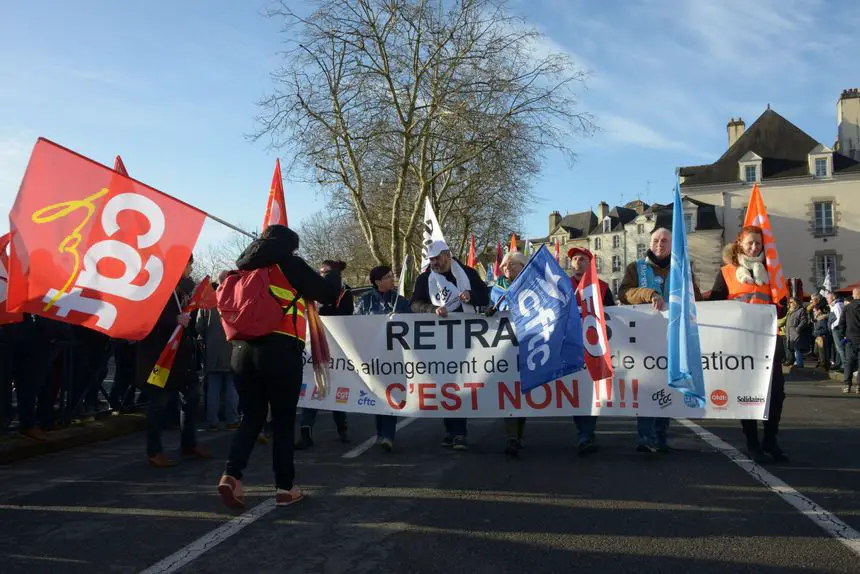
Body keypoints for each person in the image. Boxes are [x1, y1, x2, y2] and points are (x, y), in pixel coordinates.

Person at [218, 225, 342, 509]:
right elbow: (327, 293)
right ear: (290, 246)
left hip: (241, 351)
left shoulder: (242, 269)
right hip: (281, 348)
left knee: (252, 417)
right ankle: (285, 487)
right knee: (284, 421)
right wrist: (332, 271)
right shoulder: (288, 264)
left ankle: (231, 475)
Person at [708, 226, 788, 463]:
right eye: (750, 243)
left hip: (768, 341)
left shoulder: (771, 273)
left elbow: (781, 305)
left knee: (776, 393)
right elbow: (715, 304)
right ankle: (752, 442)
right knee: (747, 394)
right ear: (740, 243)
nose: (755, 248)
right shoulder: (727, 273)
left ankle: (770, 440)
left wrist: (780, 302)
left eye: (758, 244)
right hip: (741, 343)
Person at [619, 226, 702, 453]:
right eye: (656, 239)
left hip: (673, 339)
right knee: (647, 386)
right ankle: (645, 436)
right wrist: (649, 294)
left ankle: (661, 435)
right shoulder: (636, 268)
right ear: (650, 242)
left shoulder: (681, 269)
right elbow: (624, 293)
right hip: (645, 339)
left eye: (665, 240)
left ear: (671, 244)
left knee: (668, 386)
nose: (660, 244)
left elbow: (695, 296)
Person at [411, 240, 490, 451]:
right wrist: (431, 309)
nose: (434, 263)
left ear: (447, 254)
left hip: (467, 336)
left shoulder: (468, 273)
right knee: (447, 382)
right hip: (440, 338)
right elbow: (415, 304)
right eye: (431, 259)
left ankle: (457, 432)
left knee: (462, 382)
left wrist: (471, 296)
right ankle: (453, 431)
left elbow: (485, 296)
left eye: (437, 258)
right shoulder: (425, 278)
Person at [138, 255, 209, 467]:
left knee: (192, 397)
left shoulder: (182, 291)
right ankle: (154, 450)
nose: (190, 270)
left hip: (181, 358)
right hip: (160, 358)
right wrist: (174, 319)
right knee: (158, 403)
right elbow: (147, 316)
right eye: (188, 265)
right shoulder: (155, 288)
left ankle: (189, 444)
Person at [295, 260, 353, 449]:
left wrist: (324, 310)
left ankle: (342, 428)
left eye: (326, 273)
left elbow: (345, 314)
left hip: (337, 345)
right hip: (314, 344)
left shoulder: (345, 292)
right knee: (313, 387)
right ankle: (305, 431)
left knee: (336, 388)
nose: (322, 276)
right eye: (320, 273)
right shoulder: (312, 291)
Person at [355, 264, 410, 451]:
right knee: (378, 394)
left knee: (392, 393)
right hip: (373, 355)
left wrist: (401, 318)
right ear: (378, 282)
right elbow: (355, 324)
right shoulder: (364, 301)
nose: (392, 278)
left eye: (392, 275)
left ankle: (388, 435)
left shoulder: (401, 301)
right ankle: (381, 432)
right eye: (387, 276)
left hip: (395, 355)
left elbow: (411, 322)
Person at [569, 247, 615, 456]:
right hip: (570, 347)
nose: (578, 262)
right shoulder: (562, 286)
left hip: (594, 348)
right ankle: (583, 431)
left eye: (583, 259)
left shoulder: (603, 287)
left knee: (590, 390)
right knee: (576, 391)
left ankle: (586, 434)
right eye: (575, 259)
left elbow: (613, 315)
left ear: (591, 263)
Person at [486, 251, 528, 457]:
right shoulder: (497, 288)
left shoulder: (532, 284)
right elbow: (493, 305)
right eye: (504, 266)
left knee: (523, 392)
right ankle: (512, 437)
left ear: (522, 266)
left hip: (529, 343)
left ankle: (518, 434)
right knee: (509, 388)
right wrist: (490, 310)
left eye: (512, 265)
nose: (507, 269)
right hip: (506, 344)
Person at [197, 272, 239, 431]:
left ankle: (212, 421)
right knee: (232, 387)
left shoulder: (207, 301)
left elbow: (198, 326)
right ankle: (232, 419)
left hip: (212, 350)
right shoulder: (237, 298)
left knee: (213, 388)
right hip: (232, 348)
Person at [838, 288, 860, 394]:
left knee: (849, 362)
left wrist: (843, 336)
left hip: (850, 338)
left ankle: (847, 385)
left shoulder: (847, 308)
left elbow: (841, 323)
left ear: (854, 295)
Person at [786, 298, 812, 369]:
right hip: (791, 333)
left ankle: (799, 363)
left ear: (795, 303)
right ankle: (797, 362)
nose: (789, 304)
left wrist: (797, 329)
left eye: (791, 302)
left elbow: (804, 321)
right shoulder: (791, 311)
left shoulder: (801, 310)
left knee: (797, 348)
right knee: (795, 348)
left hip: (797, 333)